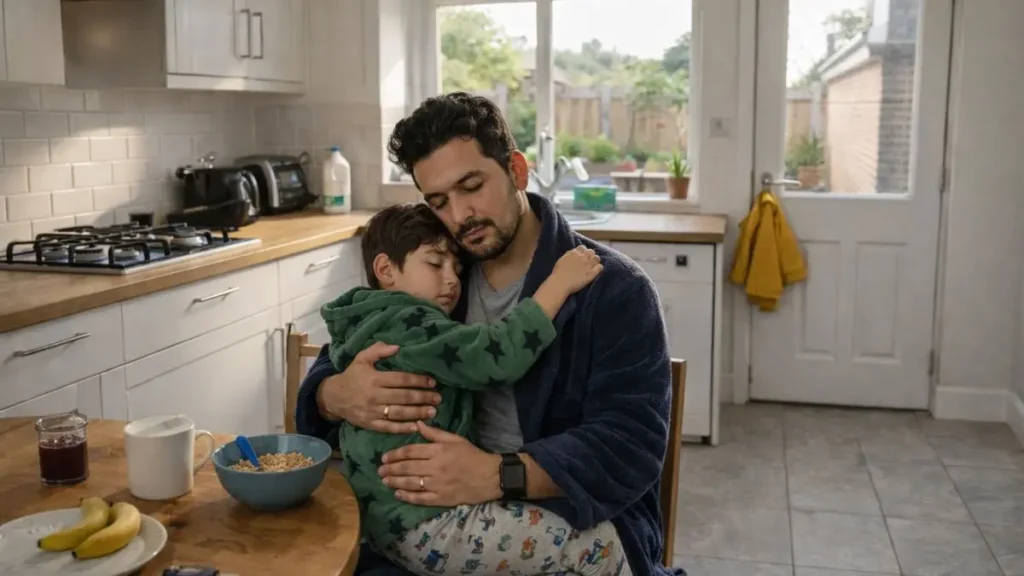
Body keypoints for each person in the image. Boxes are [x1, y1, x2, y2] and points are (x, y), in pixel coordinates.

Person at [296, 92, 683, 576]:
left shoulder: (613, 289)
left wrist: (497, 474)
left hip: (564, 521)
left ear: (517, 171)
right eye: (439, 201)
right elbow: (342, 357)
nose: (460, 217)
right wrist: (337, 394)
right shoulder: (434, 277)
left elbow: (630, 447)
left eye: (472, 186)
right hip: (421, 524)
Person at [323, 202, 629, 575]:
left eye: (457, 267)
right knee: (599, 545)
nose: (452, 279)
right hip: (428, 523)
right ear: (386, 269)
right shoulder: (412, 322)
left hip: (383, 522)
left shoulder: (365, 320)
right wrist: (558, 284)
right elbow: (497, 354)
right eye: (435, 265)